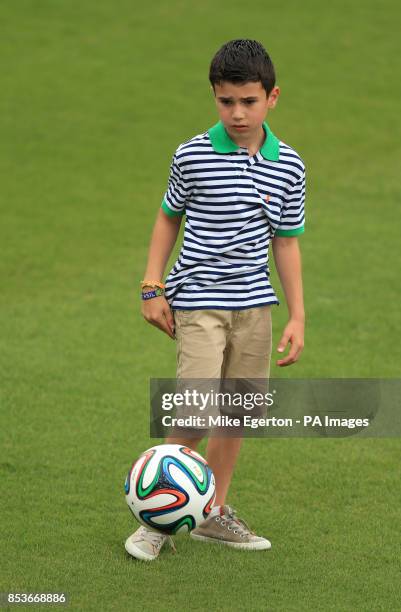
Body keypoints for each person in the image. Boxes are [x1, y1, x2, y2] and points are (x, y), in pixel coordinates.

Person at [125, 39, 306, 561]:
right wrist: (151, 286)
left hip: (256, 309)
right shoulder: (192, 153)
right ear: (215, 97)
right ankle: (154, 520)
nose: (237, 113)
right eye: (226, 101)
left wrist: (297, 313)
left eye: (248, 101)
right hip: (199, 301)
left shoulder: (289, 165)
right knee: (196, 408)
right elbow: (168, 217)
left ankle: (211, 513)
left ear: (272, 97)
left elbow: (286, 240)